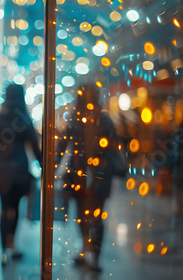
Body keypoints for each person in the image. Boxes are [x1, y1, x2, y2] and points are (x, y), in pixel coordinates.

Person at [56, 84, 119, 272]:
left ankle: (85, 248)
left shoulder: (75, 119)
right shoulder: (105, 121)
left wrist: (53, 166)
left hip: (79, 174)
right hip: (100, 175)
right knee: (97, 216)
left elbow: (62, 146)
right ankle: (94, 256)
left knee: (82, 214)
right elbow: (114, 147)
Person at [0, 84, 42, 265]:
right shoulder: (24, 119)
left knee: (4, 208)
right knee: (15, 209)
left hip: (0, 171)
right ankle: (11, 244)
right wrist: (45, 167)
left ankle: (2, 249)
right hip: (20, 170)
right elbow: (35, 148)